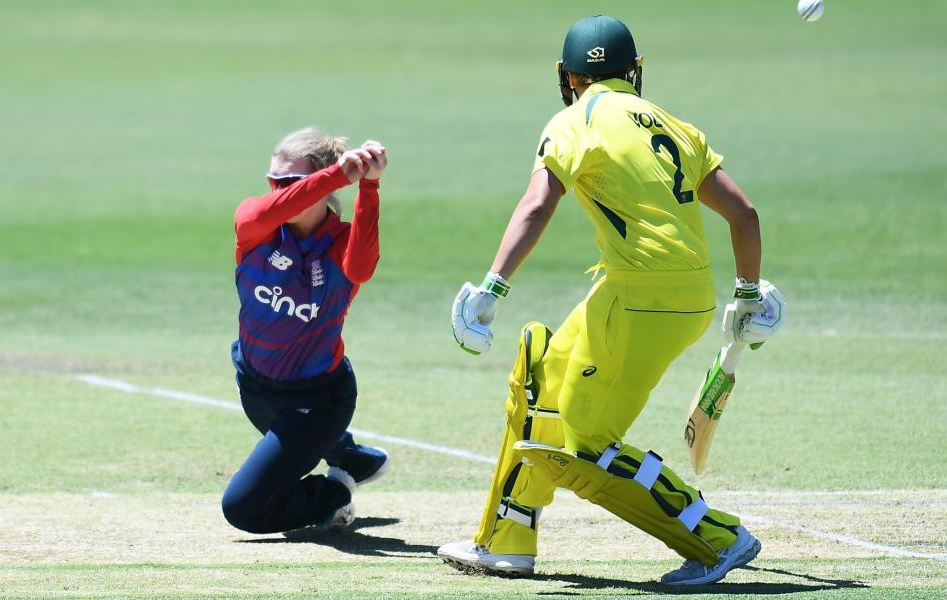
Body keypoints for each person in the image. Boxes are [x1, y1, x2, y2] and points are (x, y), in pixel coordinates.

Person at [441, 15, 784, 585]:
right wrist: (748, 293)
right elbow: (744, 216)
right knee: (542, 373)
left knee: (582, 445)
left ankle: (717, 538)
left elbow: (536, 205)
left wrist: (491, 287)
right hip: (666, 294)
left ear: (567, 75)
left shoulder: (576, 120)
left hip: (641, 302)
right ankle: (508, 539)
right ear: (635, 70)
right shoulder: (676, 126)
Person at [221, 127, 390, 534]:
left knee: (243, 508)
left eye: (289, 183)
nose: (278, 191)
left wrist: (369, 185)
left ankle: (334, 497)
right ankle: (349, 455)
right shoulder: (254, 222)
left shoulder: (341, 242)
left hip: (318, 399)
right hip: (256, 386)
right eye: (273, 181)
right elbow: (270, 208)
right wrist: (338, 176)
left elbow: (362, 268)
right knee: (290, 447)